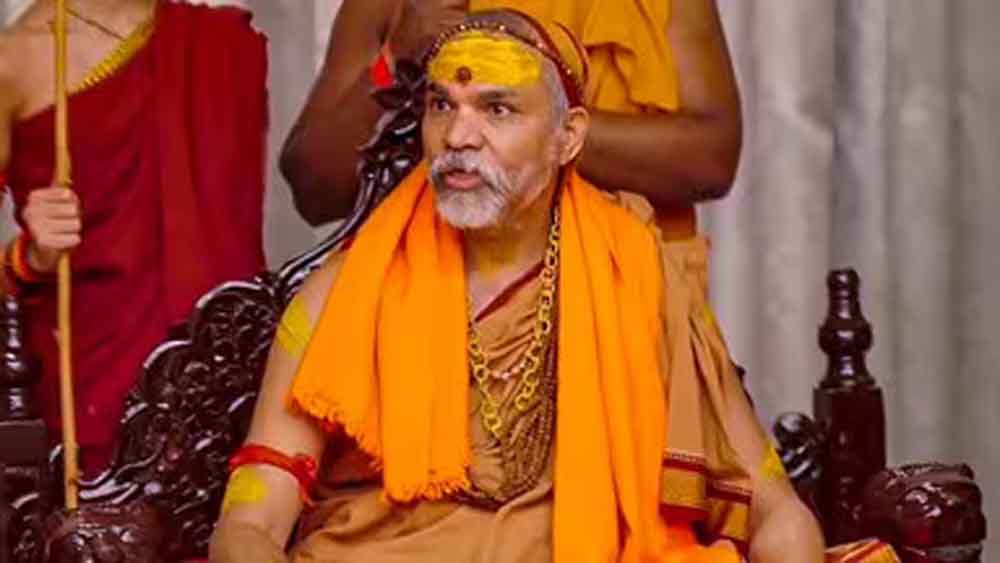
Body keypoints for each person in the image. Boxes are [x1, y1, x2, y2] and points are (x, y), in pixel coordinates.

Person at [210, 10, 824, 563]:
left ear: (569, 137)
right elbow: (250, 522)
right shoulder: (345, 292)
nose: (458, 138)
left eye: (497, 109)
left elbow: (775, 510)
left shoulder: (640, 278)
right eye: (442, 106)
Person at [280, 0, 740, 291]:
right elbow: (314, 187)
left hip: (628, 310)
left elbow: (710, 157)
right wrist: (398, 57)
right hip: (441, 311)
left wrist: (530, 120)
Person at [0, 0, 268, 473]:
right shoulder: (15, 60)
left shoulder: (216, 43)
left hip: (225, 385)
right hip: (87, 397)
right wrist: (28, 258)